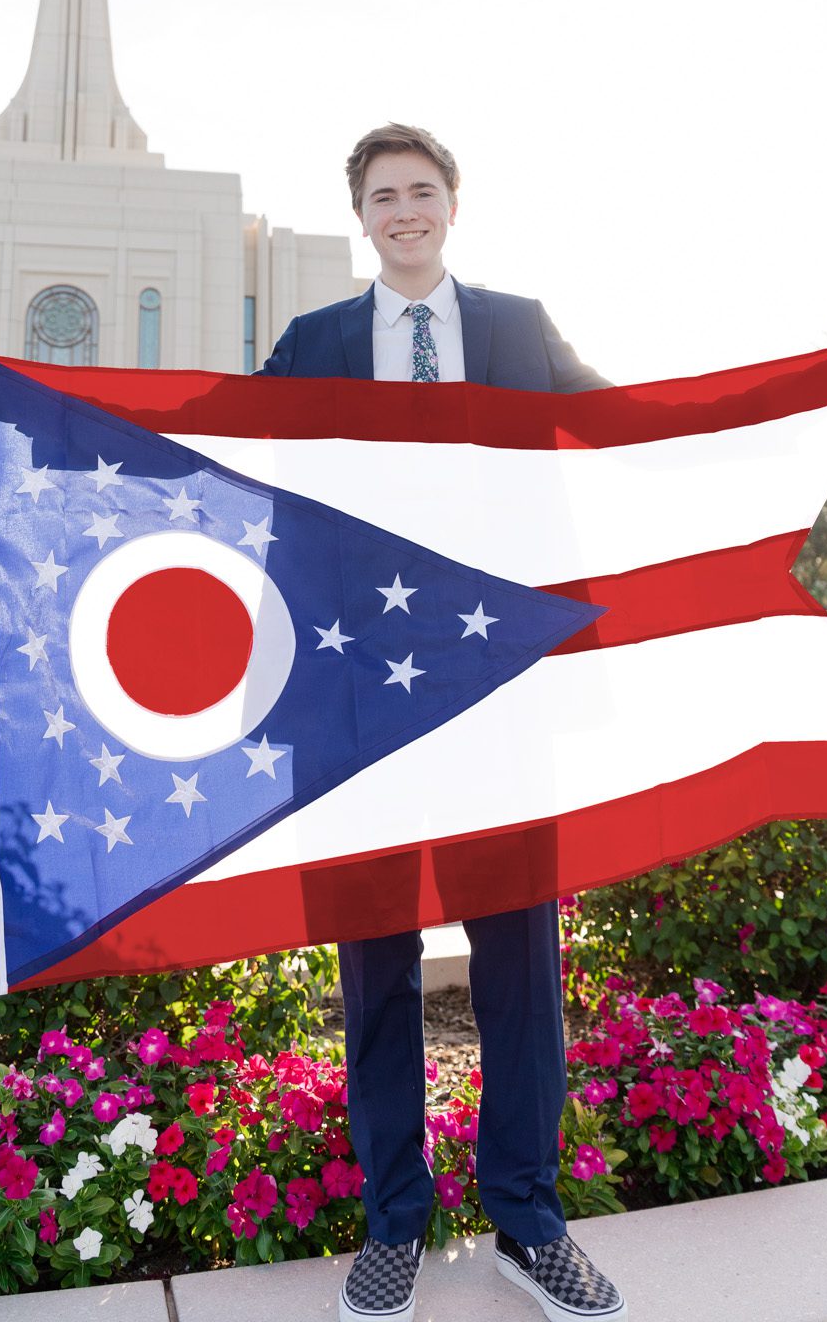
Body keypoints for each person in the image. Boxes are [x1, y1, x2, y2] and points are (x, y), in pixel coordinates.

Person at [263, 124, 625, 1322]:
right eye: (384, 196)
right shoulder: (313, 345)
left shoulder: (518, 327)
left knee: (523, 953)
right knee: (375, 957)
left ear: (453, 206)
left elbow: (619, 423)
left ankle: (529, 1214)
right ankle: (394, 1221)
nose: (405, 211)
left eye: (422, 191)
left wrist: (764, 415)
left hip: (502, 686)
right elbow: (230, 463)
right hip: (359, 697)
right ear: (361, 217)